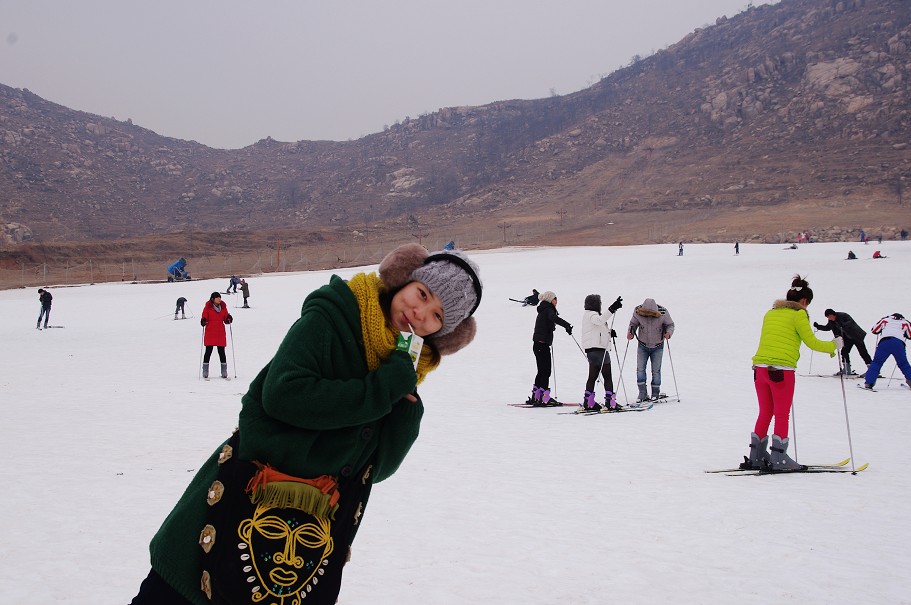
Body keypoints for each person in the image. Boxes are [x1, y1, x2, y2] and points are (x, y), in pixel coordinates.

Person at [131, 243, 482, 605]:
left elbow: (373, 470)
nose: (420, 312)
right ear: (404, 280)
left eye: (438, 315)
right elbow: (282, 395)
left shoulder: (402, 365)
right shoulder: (335, 314)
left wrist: (406, 411)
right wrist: (380, 391)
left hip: (306, 542)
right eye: (422, 293)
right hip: (242, 501)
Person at [742, 275, 840, 472]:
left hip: (759, 369)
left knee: (765, 412)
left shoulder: (771, 313)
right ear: (804, 301)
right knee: (781, 414)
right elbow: (812, 342)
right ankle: (779, 458)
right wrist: (834, 346)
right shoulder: (799, 315)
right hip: (781, 371)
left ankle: (756, 455)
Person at [528, 291, 572, 405]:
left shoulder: (543, 309)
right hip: (542, 345)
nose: (556, 301)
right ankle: (544, 398)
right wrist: (567, 325)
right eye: (555, 298)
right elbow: (553, 318)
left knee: (541, 371)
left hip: (538, 345)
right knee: (546, 371)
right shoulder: (548, 310)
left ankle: (536, 396)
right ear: (550, 299)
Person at [580, 294, 623, 411]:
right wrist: (612, 308)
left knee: (592, 377)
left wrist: (609, 332)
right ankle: (610, 402)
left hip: (592, 350)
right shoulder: (592, 315)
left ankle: (588, 402)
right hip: (598, 350)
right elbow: (600, 321)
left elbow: (597, 330)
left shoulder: (588, 315)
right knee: (607, 376)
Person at [627, 298, 674, 402]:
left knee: (656, 371)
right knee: (640, 369)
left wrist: (668, 333)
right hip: (642, 345)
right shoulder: (638, 312)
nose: (648, 315)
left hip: (658, 346)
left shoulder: (663, 312)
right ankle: (642, 393)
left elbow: (670, 325)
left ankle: (655, 393)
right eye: (646, 313)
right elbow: (633, 324)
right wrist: (630, 332)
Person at [813, 309, 872, 376]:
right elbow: (828, 328)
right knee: (844, 352)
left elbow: (850, 322)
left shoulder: (843, 315)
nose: (829, 319)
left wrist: (843, 324)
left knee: (863, 352)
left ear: (833, 314)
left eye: (829, 317)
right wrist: (818, 326)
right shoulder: (831, 321)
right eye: (828, 317)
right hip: (847, 338)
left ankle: (872, 370)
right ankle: (847, 369)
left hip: (856, 336)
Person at [862, 313, 911, 390]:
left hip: (885, 342)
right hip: (898, 344)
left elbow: (874, 330)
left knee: (877, 362)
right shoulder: (905, 322)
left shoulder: (885, 320)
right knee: (903, 364)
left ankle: (869, 383)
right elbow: (910, 335)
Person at [200, 292, 233, 379]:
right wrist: (203, 320)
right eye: (217, 298)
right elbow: (204, 316)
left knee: (221, 352)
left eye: (220, 297)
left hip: (220, 332)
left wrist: (228, 318)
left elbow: (225, 319)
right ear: (212, 299)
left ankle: (224, 371)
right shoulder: (207, 308)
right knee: (208, 351)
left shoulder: (223, 308)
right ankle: (205, 371)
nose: (219, 299)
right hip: (210, 332)